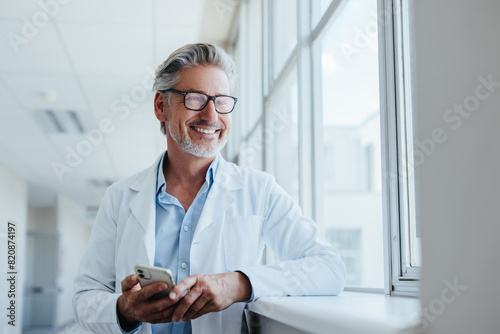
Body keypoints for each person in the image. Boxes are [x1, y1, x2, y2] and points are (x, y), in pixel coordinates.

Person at [73, 43, 345, 334]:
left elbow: (329, 269)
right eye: (195, 98)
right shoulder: (120, 197)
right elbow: (83, 299)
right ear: (161, 106)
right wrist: (124, 309)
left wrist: (239, 284)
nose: (211, 115)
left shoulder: (259, 190)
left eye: (222, 101)